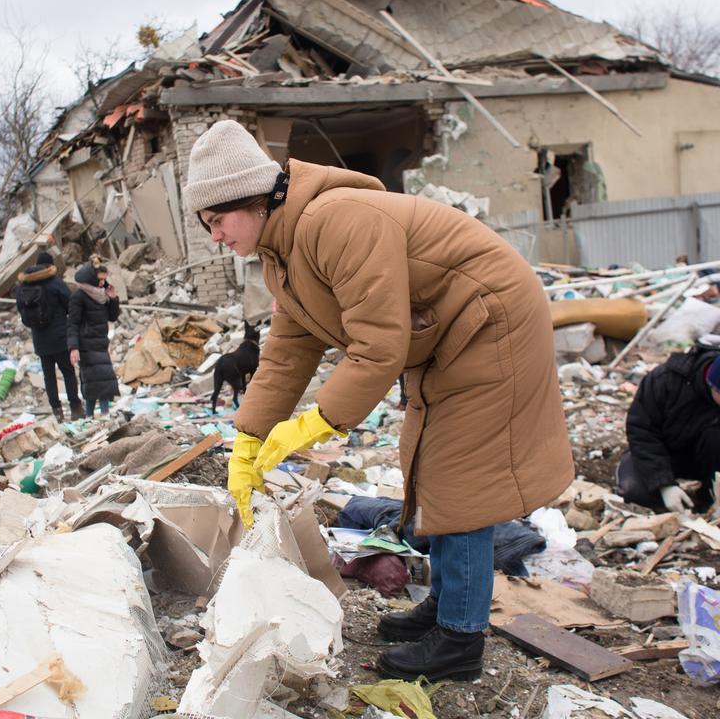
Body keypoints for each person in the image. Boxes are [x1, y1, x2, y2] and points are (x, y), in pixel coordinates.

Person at [183, 120, 573, 682]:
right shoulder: (282, 248)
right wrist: (250, 435)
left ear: (252, 200)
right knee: (430, 466)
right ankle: (447, 607)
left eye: (218, 221)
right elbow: (292, 345)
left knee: (462, 477)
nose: (216, 236)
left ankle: (460, 642)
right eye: (208, 225)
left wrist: (318, 422)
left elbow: (379, 343)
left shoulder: (336, 219)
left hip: (492, 321)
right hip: (443, 334)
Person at [618, 345, 720, 513]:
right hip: (663, 454)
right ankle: (672, 501)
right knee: (633, 490)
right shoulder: (665, 380)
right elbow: (642, 433)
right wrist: (664, 484)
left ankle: (707, 500)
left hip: (707, 460)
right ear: (712, 385)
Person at [16, 252, 83, 423]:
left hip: (40, 339)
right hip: (60, 337)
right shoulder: (55, 283)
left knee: (49, 376)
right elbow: (70, 304)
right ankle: (75, 408)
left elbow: (20, 308)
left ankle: (57, 411)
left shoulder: (24, 285)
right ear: (49, 265)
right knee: (68, 372)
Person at [67, 256, 120, 418]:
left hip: (100, 342)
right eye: (100, 280)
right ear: (91, 279)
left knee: (103, 378)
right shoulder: (79, 297)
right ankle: (91, 415)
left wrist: (113, 299)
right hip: (86, 344)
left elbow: (112, 317)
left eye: (105, 279)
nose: (103, 283)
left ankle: (103, 413)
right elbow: (73, 324)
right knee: (92, 380)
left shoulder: (101, 295)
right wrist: (73, 347)